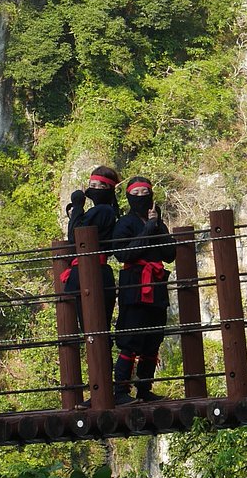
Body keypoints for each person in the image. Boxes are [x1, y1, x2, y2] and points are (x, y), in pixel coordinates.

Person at [110, 176, 176, 404]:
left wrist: (155, 227)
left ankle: (144, 390)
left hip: (156, 286)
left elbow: (170, 254)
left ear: (151, 195)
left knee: (152, 339)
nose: (140, 197)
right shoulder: (124, 223)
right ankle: (120, 392)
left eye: (144, 192)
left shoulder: (157, 222)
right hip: (134, 286)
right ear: (128, 197)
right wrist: (147, 230)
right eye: (135, 193)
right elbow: (122, 254)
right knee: (131, 339)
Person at [62, 165, 120, 336]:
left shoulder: (102, 210)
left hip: (90, 271)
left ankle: (100, 361)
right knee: (95, 328)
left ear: (108, 189)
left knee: (92, 329)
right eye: (91, 185)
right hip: (93, 270)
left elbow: (76, 236)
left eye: (98, 186)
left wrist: (78, 206)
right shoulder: (106, 211)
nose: (93, 189)